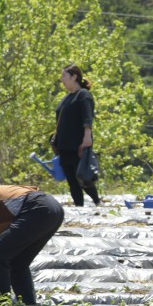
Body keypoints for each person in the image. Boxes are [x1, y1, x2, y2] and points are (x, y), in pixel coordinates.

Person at [53, 63, 100, 207]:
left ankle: (97, 202)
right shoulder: (67, 98)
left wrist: (87, 136)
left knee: (83, 177)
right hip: (65, 145)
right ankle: (79, 207)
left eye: (64, 76)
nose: (62, 79)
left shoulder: (83, 95)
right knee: (72, 181)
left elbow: (88, 117)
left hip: (78, 144)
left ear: (74, 77)